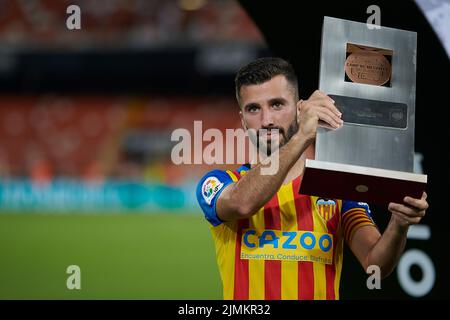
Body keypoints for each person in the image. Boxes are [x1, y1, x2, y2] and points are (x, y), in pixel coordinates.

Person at [196, 57, 428, 300]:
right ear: (243, 120)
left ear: (299, 110)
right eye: (254, 108)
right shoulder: (217, 183)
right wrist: (303, 136)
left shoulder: (336, 188)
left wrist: (399, 224)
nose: (267, 121)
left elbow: (375, 265)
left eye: (277, 105)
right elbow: (243, 203)